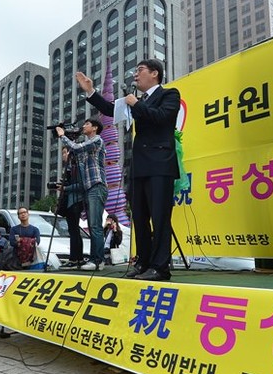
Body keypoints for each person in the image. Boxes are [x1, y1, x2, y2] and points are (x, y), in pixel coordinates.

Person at [76, 58, 180, 280]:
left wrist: (136, 104)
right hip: (139, 168)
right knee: (139, 218)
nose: (135, 74)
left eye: (140, 70)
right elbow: (110, 109)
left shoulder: (169, 95)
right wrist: (91, 91)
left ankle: (160, 267)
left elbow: (162, 118)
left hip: (160, 165)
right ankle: (143, 263)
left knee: (160, 218)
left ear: (155, 73)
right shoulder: (136, 100)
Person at [56, 118, 107, 271]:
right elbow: (75, 155)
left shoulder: (97, 140)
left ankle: (97, 260)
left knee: (95, 225)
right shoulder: (86, 145)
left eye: (87, 124)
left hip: (96, 186)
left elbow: (77, 148)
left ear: (95, 128)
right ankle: (94, 259)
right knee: (92, 225)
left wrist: (62, 135)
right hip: (88, 188)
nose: (83, 126)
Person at [57, 147, 86, 269]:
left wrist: (65, 188)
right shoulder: (69, 168)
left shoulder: (77, 167)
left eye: (65, 152)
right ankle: (77, 258)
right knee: (73, 230)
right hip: (70, 202)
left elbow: (82, 185)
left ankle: (75, 259)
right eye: (63, 153)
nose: (63, 155)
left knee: (74, 231)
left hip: (75, 202)